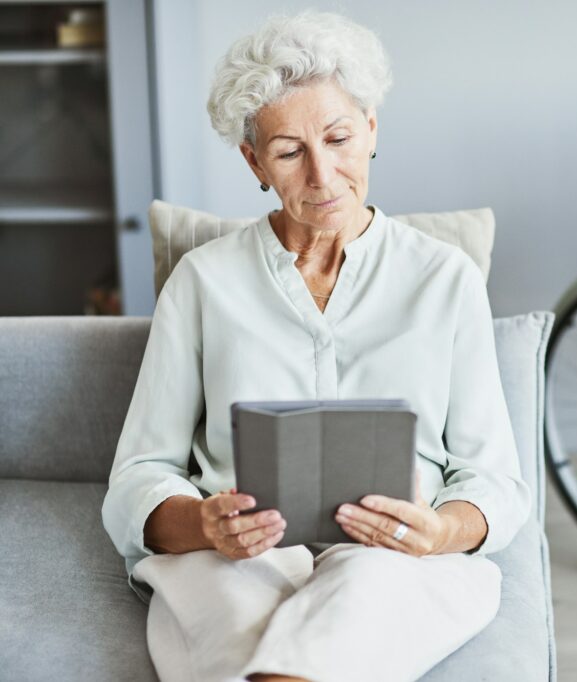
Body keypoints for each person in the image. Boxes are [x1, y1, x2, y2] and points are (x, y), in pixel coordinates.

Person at [101, 10, 530, 682]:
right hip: (236, 558)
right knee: (243, 620)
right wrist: (206, 525)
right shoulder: (203, 282)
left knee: (362, 597)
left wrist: (440, 531)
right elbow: (137, 479)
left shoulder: (445, 278)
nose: (323, 176)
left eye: (338, 138)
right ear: (254, 163)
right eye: (289, 152)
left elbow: (495, 480)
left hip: (396, 558)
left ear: (372, 130)